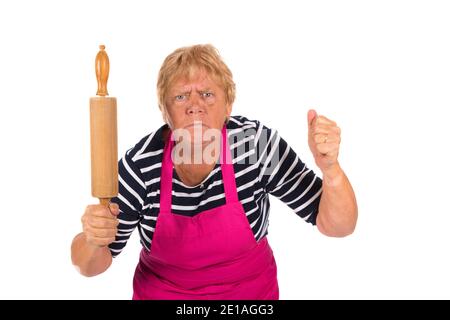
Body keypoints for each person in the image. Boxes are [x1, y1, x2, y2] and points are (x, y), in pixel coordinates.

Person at [71, 44, 358, 300]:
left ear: (228, 105)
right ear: (164, 110)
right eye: (181, 97)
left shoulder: (255, 146)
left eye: (207, 94)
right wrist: (93, 237)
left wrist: (330, 169)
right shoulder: (141, 166)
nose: (195, 107)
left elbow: (338, 226)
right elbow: (90, 266)